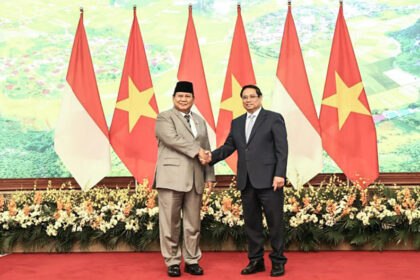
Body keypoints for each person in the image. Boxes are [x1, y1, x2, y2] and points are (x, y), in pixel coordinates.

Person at [205, 84, 288, 277]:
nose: (248, 100)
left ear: (260, 98)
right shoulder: (237, 122)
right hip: (246, 181)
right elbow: (228, 147)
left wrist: (280, 174)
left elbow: (282, 149)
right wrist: (210, 157)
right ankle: (256, 261)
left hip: (270, 181)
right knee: (252, 224)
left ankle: (278, 261)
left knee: (275, 223)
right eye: (244, 97)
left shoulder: (274, 118)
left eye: (252, 96)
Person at [154, 81, 215, 277]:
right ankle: (172, 262)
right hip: (171, 178)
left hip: (196, 178)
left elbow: (206, 148)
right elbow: (171, 138)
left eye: (187, 96)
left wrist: (210, 175)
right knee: (170, 224)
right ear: (173, 98)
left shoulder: (199, 120)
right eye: (179, 96)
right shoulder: (164, 117)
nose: (183, 99)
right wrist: (198, 151)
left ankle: (191, 261)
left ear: (193, 99)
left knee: (193, 224)